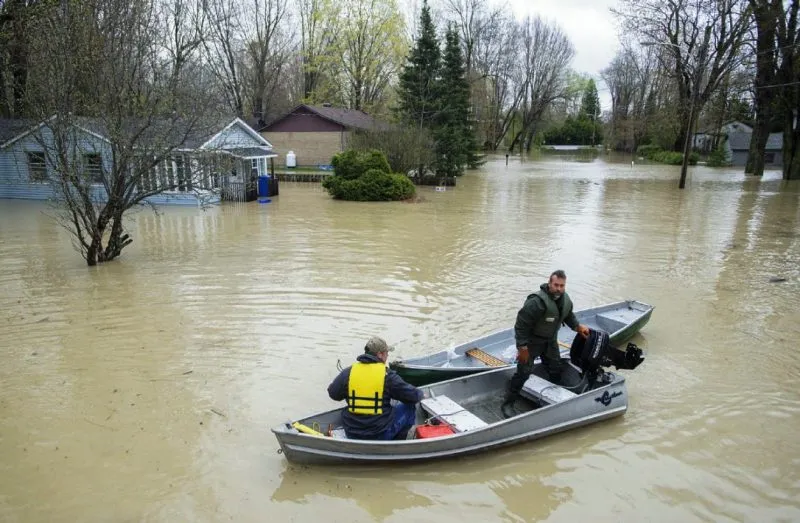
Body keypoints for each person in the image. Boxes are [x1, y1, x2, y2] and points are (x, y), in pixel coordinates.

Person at [502, 270, 590, 417]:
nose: (559, 289)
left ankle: (555, 398)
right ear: (549, 283)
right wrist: (522, 347)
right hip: (531, 343)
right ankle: (508, 403)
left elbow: (568, 315)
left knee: (555, 368)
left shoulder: (565, 299)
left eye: (562, 286)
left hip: (550, 342)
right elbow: (521, 326)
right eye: (556, 285)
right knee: (523, 373)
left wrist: (577, 327)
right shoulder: (536, 302)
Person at [327, 336, 423, 440]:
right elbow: (412, 396)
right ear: (380, 354)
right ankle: (397, 444)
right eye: (387, 353)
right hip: (379, 434)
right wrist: (421, 394)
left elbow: (333, 393)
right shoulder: (387, 375)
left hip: (352, 432)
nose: (387, 356)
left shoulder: (349, 372)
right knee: (409, 407)